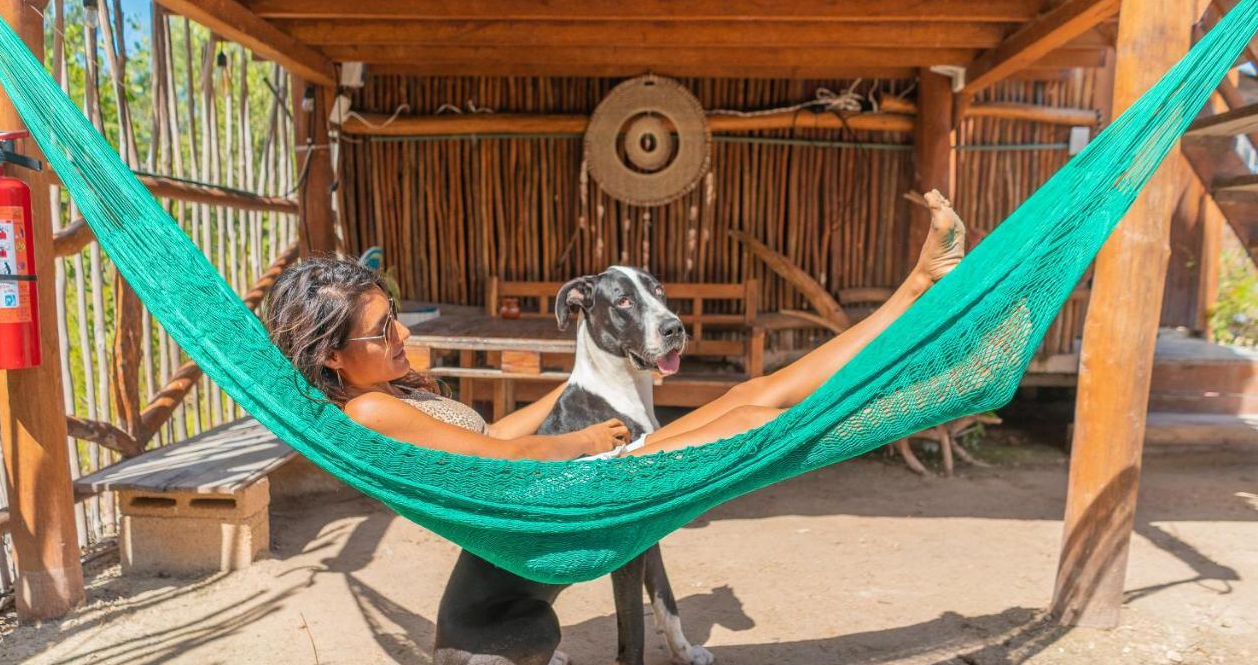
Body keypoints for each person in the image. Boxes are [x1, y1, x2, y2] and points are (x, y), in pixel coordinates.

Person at [265, 191, 966, 460]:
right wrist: (588, 435)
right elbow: (502, 463)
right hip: (573, 489)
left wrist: (565, 386)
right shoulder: (371, 413)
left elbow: (488, 436)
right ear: (330, 356)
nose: (402, 337)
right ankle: (913, 293)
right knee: (764, 408)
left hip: (570, 476)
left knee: (748, 396)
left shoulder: (384, 398)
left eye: (395, 322)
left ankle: (913, 291)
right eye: (383, 331)